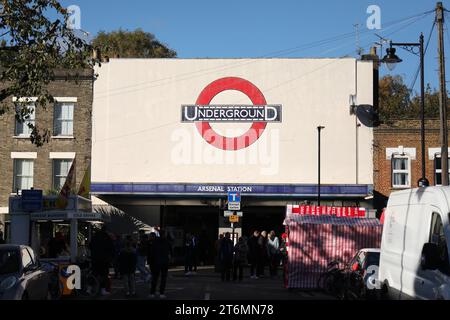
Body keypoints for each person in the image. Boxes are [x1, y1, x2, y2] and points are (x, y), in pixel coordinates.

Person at [89, 225, 114, 296]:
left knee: (94, 274)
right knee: (104, 275)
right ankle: (103, 290)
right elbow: (111, 249)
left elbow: (90, 246)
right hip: (104, 260)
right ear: (106, 230)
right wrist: (111, 258)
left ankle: (89, 289)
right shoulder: (107, 238)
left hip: (95, 259)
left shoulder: (95, 237)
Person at [148, 230, 172, 299]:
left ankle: (152, 293)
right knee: (163, 278)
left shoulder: (155, 242)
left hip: (156, 262)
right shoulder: (167, 242)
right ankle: (161, 293)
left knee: (155, 278)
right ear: (164, 234)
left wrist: (151, 262)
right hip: (164, 262)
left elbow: (151, 253)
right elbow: (170, 252)